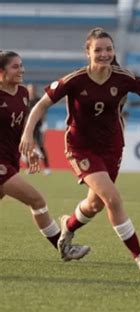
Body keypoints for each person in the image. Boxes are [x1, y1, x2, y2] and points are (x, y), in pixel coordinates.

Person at [19, 28, 140, 272]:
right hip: (81, 148)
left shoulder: (122, 77)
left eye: (108, 49)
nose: (104, 54)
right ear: (88, 52)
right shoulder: (74, 79)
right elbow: (41, 104)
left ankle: (68, 227)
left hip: (112, 148)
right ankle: (139, 255)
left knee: (95, 205)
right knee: (112, 198)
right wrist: (28, 133)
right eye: (98, 50)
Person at [0, 50, 90, 261]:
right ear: (1, 71)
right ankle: (64, 248)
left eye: (21, 65)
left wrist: (29, 149)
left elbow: (21, 127)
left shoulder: (23, 94)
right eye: (15, 66)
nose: (21, 70)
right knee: (37, 201)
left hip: (11, 158)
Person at [26, 83, 51, 175]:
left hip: (38, 126)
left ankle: (47, 168)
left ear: (35, 90)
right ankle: (30, 167)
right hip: (29, 127)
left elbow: (43, 112)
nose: (31, 91)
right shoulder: (25, 100)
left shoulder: (38, 100)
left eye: (32, 89)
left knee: (40, 146)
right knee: (28, 148)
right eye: (29, 89)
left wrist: (44, 123)